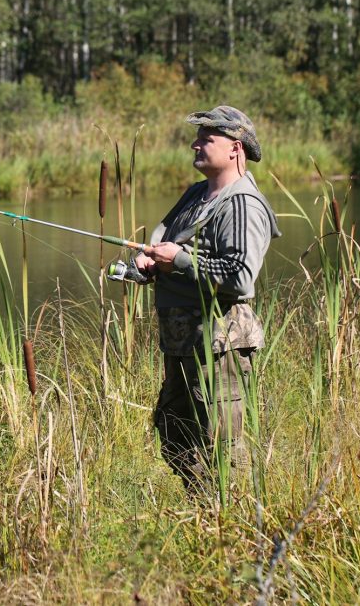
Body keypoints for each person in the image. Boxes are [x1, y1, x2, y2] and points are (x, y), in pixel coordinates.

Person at [133, 106, 280, 493]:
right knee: (173, 431)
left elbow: (239, 276)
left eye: (206, 139)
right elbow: (163, 238)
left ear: (235, 148)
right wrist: (147, 258)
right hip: (182, 341)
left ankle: (236, 528)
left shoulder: (242, 204)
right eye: (197, 137)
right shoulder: (197, 193)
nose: (194, 144)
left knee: (224, 447)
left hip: (220, 344)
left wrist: (177, 260)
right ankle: (206, 514)